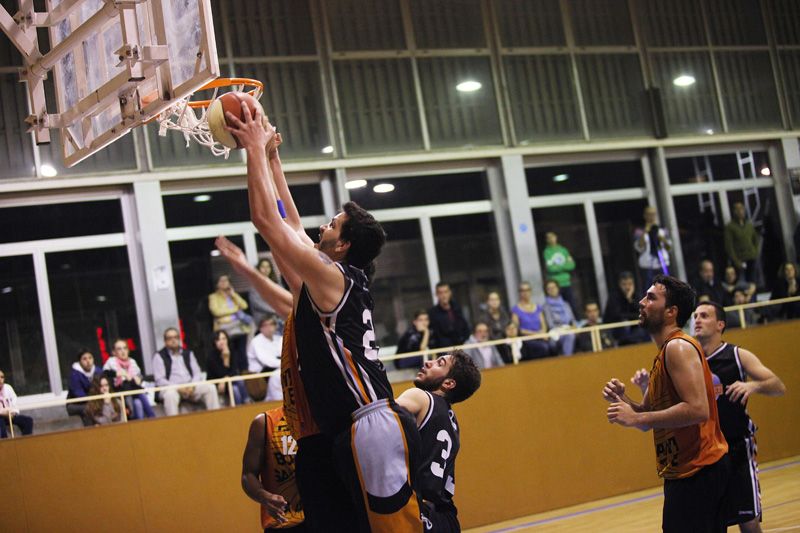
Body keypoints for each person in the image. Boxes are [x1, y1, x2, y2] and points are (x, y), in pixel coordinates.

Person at [227, 107, 421, 532]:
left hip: (367, 421)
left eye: (333, 224)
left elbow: (269, 222)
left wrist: (254, 150)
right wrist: (273, 158)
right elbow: (291, 225)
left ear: (343, 245)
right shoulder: (334, 278)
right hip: (350, 422)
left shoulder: (333, 278)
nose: (323, 226)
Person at [602, 275, 728, 532]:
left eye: (650, 298)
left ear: (671, 312)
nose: (641, 302)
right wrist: (624, 402)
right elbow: (650, 417)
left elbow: (697, 409)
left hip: (700, 470)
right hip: (683, 472)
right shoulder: (663, 355)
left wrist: (637, 418)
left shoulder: (678, 348)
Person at [693, 302, 785, 532]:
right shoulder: (691, 361)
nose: (697, 320)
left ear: (720, 325)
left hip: (737, 447)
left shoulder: (737, 355)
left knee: (749, 523)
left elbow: (778, 386)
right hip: (706, 452)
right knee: (713, 524)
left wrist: (752, 386)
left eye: (704, 316)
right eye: (695, 316)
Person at [395, 350, 482, 532]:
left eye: (439, 363)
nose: (428, 362)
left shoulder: (421, 397)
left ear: (448, 383)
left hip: (420, 513)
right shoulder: (452, 422)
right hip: (447, 518)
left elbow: (377, 420)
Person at [241, 406, 305, 532]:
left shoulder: (320, 418)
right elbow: (248, 475)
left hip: (322, 517)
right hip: (284, 522)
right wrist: (264, 497)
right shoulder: (265, 422)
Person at [153, 328, 220, 416]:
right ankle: (174, 425)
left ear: (179, 339)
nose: (173, 340)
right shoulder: (159, 356)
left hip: (190, 386)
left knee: (210, 388)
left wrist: (192, 385)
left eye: (175, 337)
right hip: (172, 388)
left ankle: (216, 417)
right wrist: (178, 388)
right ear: (165, 341)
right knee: (170, 395)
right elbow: (160, 380)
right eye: (170, 338)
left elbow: (197, 373)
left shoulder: (188, 353)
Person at [209, 274, 253, 371]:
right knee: (230, 353)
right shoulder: (213, 297)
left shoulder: (233, 295)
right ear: (217, 284)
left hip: (239, 328)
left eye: (226, 280)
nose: (224, 283)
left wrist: (233, 295)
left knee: (242, 353)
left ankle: (245, 373)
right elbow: (216, 311)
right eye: (221, 281)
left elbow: (244, 305)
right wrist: (235, 310)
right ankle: (234, 374)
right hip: (225, 330)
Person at [103, 339, 155, 420]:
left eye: (125, 348)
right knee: (137, 391)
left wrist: (138, 379)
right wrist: (118, 373)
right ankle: (152, 417)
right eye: (119, 349)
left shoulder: (132, 362)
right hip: (119, 391)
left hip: (133, 391)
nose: (123, 351)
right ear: (114, 352)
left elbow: (139, 377)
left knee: (137, 403)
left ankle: (145, 422)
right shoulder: (111, 361)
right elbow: (104, 374)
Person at [603, 271, 650, 346]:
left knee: (642, 329)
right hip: (618, 328)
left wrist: (630, 300)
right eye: (624, 284)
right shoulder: (614, 297)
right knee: (625, 326)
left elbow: (641, 313)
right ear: (620, 284)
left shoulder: (637, 296)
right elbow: (617, 316)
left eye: (630, 284)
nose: (627, 287)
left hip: (635, 329)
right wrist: (631, 316)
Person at [633, 206, 672, 290]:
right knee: (649, 289)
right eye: (649, 214)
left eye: (653, 214)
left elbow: (669, 248)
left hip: (662, 263)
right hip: (647, 265)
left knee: (666, 288)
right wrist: (645, 232)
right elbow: (638, 247)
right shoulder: (639, 230)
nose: (651, 217)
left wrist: (661, 237)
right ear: (645, 216)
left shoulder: (662, 229)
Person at [511, 281, 551, 360]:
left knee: (553, 345)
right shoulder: (515, 310)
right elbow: (518, 329)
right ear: (519, 293)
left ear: (531, 291)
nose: (525, 293)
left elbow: (543, 324)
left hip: (541, 337)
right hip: (527, 339)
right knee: (544, 347)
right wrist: (536, 334)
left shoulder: (538, 307)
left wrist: (542, 333)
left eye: (527, 290)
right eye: (523, 290)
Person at [247, 316, 284, 401]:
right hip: (260, 376)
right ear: (261, 328)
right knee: (277, 376)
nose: (269, 327)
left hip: (276, 369)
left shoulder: (279, 338)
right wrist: (284, 363)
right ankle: (278, 402)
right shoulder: (256, 341)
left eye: (272, 324)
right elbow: (267, 361)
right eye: (266, 325)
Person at [208, 330, 248, 406]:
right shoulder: (211, 357)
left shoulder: (232, 351)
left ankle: (247, 401)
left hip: (229, 380)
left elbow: (234, 371)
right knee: (234, 389)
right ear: (214, 342)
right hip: (218, 384)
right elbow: (219, 374)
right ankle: (239, 410)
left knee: (239, 379)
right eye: (218, 340)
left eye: (224, 339)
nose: (221, 342)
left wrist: (225, 378)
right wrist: (226, 359)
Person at [66, 349, 104, 426]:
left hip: (95, 400)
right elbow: (78, 394)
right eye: (84, 359)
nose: (88, 361)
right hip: (76, 404)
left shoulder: (98, 371)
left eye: (90, 358)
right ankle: (91, 432)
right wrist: (95, 400)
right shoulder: (75, 374)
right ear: (80, 361)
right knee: (88, 408)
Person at [725, 202, 761, 283]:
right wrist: (736, 261)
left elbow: (755, 239)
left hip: (752, 257)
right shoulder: (730, 227)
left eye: (742, 209)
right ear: (734, 211)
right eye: (738, 209)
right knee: (742, 283)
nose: (740, 211)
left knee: (753, 281)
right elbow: (729, 246)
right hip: (740, 259)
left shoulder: (749, 225)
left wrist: (755, 252)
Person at [428, 282, 470, 348]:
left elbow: (465, 326)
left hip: (462, 347)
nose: (444, 295)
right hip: (444, 351)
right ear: (436, 294)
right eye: (441, 293)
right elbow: (435, 335)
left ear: (450, 292)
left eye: (446, 292)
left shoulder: (457, 308)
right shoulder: (433, 313)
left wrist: (464, 340)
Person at [543, 231, 577, 312]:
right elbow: (550, 268)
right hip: (555, 284)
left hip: (566, 282)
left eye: (553, 237)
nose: (551, 239)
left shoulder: (563, 250)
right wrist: (564, 265)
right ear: (547, 240)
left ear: (556, 237)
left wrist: (557, 266)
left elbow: (572, 265)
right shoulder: (547, 252)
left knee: (571, 304)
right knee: (557, 306)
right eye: (549, 238)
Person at [542, 279, 577, 356]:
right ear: (546, 291)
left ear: (558, 288)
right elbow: (550, 324)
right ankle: (567, 361)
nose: (552, 290)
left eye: (554, 287)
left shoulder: (566, 304)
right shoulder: (546, 307)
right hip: (556, 334)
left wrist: (573, 327)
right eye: (549, 288)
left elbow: (573, 320)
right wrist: (564, 329)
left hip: (569, 330)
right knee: (569, 336)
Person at [0, 369, 33, 438]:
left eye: (2, 377)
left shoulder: (8, 388)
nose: (0, 380)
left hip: (10, 415)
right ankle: (5, 446)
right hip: (1, 417)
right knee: (1, 429)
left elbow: (14, 402)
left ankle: (25, 442)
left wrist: (13, 412)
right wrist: (5, 413)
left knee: (28, 421)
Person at [250, 258, 281, 327]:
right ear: (258, 269)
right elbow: (258, 304)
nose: (266, 269)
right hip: (263, 315)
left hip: (277, 313)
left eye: (268, 267)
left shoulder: (276, 283)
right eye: (263, 267)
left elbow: (281, 299)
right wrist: (276, 311)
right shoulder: (255, 285)